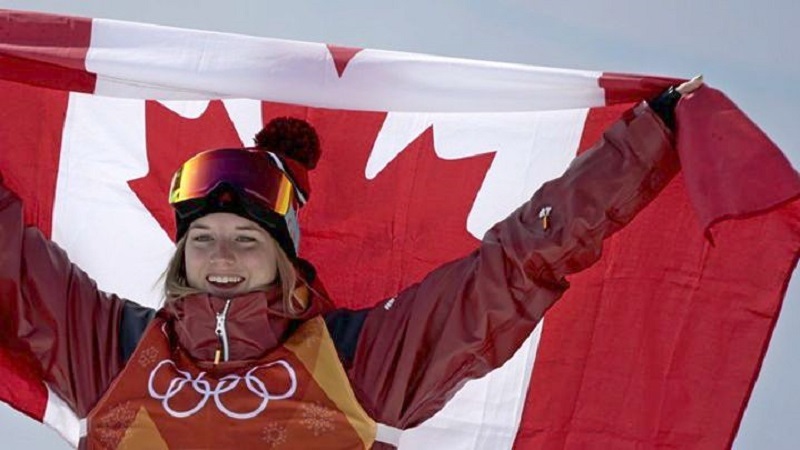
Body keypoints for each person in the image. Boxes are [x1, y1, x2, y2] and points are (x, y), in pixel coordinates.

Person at [0, 77, 703, 449]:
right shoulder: (112, 348)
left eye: (248, 240)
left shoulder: (360, 361)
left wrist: (648, 137)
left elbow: (511, 269)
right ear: (181, 251)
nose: (222, 257)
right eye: (204, 237)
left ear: (283, 256)